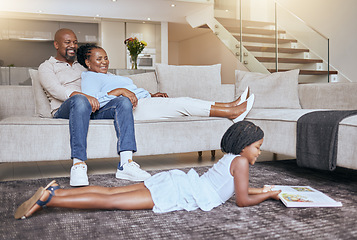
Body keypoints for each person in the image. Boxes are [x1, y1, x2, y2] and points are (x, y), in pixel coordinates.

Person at [14, 121, 281, 220]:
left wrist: (265, 189)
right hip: (179, 193)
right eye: (257, 146)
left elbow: (239, 188)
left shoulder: (233, 157)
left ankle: (56, 191)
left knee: (110, 193)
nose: (259, 151)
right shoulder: (243, 163)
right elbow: (242, 200)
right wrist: (267, 196)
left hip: (179, 182)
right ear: (244, 146)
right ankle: (51, 198)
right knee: (112, 203)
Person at [38, 29, 150, 187]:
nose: (72, 45)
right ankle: (78, 165)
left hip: (91, 109)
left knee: (123, 101)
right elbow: (57, 91)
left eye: (75, 42)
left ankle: (126, 163)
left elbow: (103, 83)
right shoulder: (47, 66)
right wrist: (84, 97)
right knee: (79, 100)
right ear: (56, 44)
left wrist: (142, 93)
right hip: (65, 110)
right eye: (67, 42)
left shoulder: (83, 67)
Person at [77, 44, 255, 122]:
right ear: (88, 62)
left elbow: (130, 91)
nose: (104, 62)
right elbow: (94, 102)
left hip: (144, 102)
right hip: (133, 109)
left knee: (185, 101)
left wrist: (151, 94)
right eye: (99, 59)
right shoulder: (90, 77)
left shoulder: (109, 76)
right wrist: (121, 91)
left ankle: (230, 106)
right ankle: (231, 112)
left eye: (106, 58)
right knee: (183, 103)